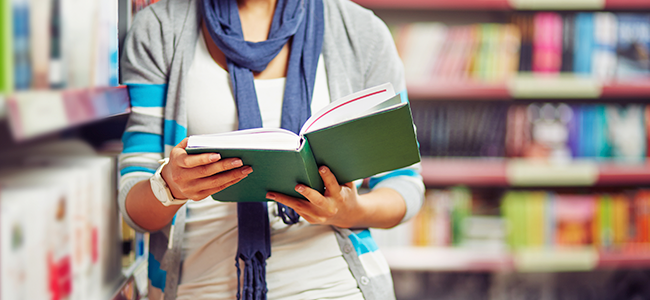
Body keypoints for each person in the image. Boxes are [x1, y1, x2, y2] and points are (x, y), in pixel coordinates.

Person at [118, 0, 425, 299]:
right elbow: (134, 206)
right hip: (200, 287)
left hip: (336, 286)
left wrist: (349, 212)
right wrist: (170, 186)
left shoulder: (361, 30)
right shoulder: (158, 29)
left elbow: (405, 186)